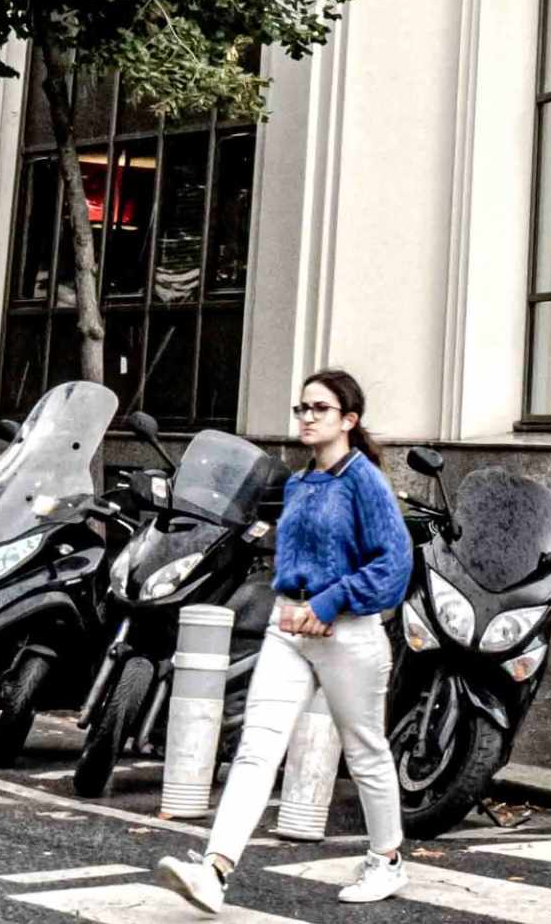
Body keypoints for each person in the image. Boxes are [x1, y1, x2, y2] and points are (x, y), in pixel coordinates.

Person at [158, 369, 416, 911]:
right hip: (288, 630)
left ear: (349, 420)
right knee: (256, 748)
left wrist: (328, 603)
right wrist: (291, 603)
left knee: (366, 749)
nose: (306, 417)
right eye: (302, 408)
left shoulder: (364, 480)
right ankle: (215, 869)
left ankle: (387, 860)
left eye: (319, 409)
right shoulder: (299, 484)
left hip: (348, 634)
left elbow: (394, 565)